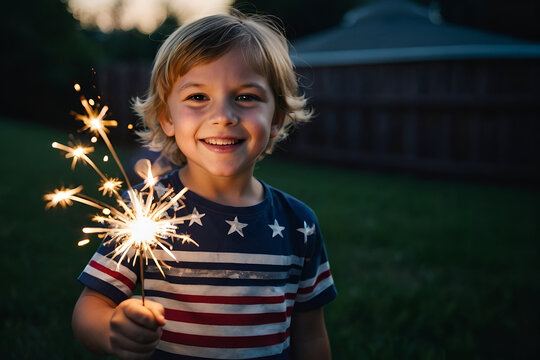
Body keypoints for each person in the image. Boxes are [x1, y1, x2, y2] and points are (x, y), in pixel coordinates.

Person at [72, 11, 337, 360]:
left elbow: (311, 336)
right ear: (167, 117)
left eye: (245, 97)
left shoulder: (298, 224)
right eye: (198, 97)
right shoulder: (146, 209)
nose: (223, 115)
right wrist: (112, 329)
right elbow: (91, 306)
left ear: (276, 119)